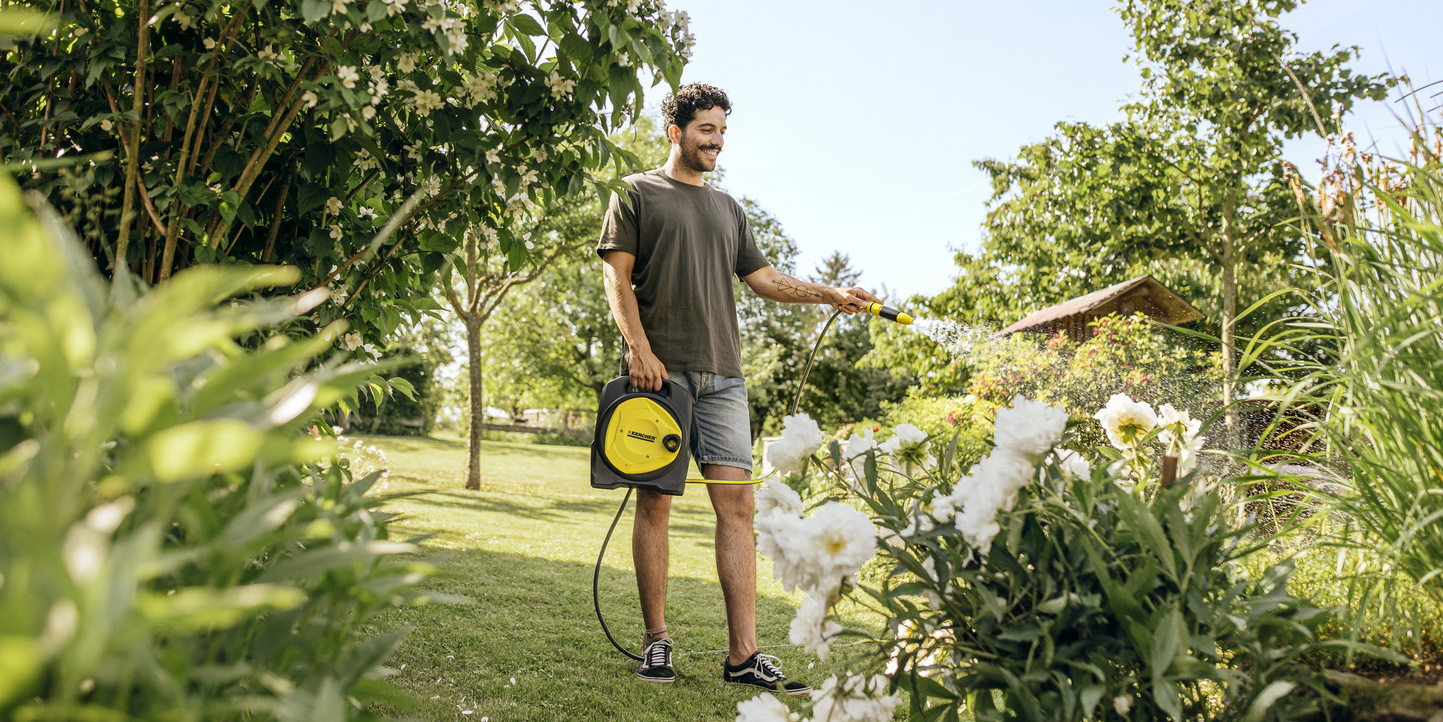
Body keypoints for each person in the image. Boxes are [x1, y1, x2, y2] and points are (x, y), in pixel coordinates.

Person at [597, 83, 881, 695]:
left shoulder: (729, 208)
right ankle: (656, 642)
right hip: (660, 377)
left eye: (722, 131)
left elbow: (765, 280)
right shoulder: (636, 193)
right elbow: (616, 280)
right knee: (656, 503)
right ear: (675, 131)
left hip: (725, 377)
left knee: (739, 506)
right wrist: (640, 350)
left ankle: (743, 655)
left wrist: (830, 293)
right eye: (706, 130)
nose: (717, 142)